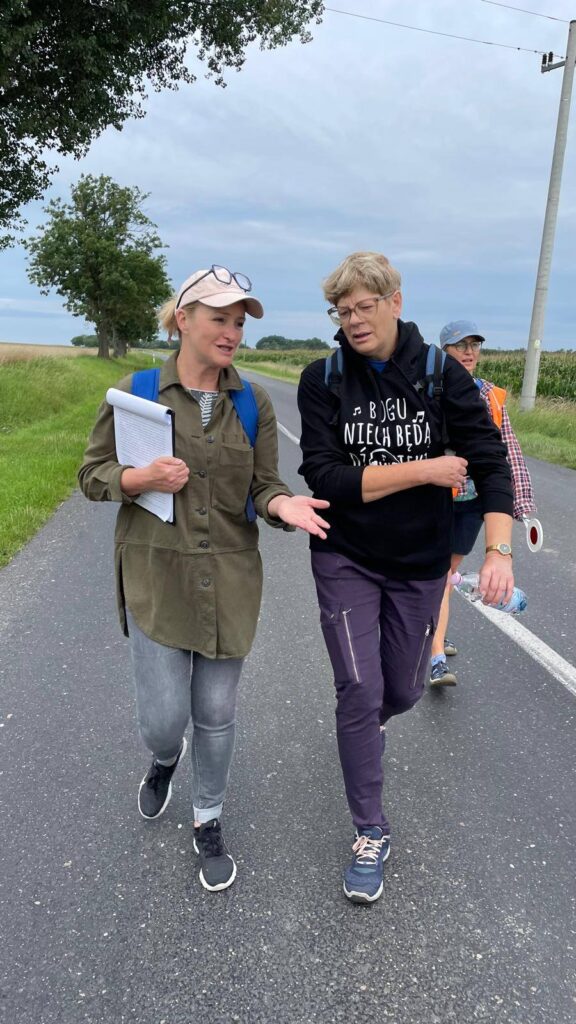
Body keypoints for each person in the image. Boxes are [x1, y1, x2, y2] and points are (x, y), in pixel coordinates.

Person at [79, 265, 329, 893]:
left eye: (239, 322)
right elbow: (92, 475)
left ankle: (207, 817)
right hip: (156, 575)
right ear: (183, 319)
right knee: (164, 719)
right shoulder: (136, 393)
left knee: (215, 711)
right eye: (220, 318)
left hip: (229, 575)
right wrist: (139, 479)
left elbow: (265, 485)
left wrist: (282, 505)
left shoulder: (251, 402)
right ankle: (165, 758)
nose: (232, 333)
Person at [297, 252, 515, 904]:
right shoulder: (324, 379)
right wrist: (424, 469)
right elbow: (327, 477)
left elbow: (490, 461)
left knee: (403, 689)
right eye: (343, 311)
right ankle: (370, 831)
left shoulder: (442, 374)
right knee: (358, 689)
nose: (354, 320)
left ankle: (369, 725)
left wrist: (499, 551)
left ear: (395, 301)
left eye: (366, 306)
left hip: (420, 562)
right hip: (345, 555)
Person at [429, 320, 537, 687]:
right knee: (440, 574)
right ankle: (435, 655)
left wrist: (521, 506)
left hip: (474, 501)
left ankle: (434, 631)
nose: (469, 352)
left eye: (474, 345)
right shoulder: (428, 390)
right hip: (435, 497)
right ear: (444, 351)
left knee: (447, 571)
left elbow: (509, 453)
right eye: (460, 345)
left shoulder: (490, 394)